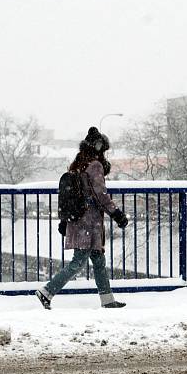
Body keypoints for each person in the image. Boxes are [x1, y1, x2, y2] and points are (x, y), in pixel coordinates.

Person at [35, 127, 129, 309]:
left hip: (77, 218)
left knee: (99, 260)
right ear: (99, 148)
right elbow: (100, 195)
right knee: (79, 261)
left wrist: (64, 219)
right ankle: (47, 291)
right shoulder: (95, 165)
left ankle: (107, 300)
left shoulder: (78, 163)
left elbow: (71, 193)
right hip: (89, 221)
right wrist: (117, 214)